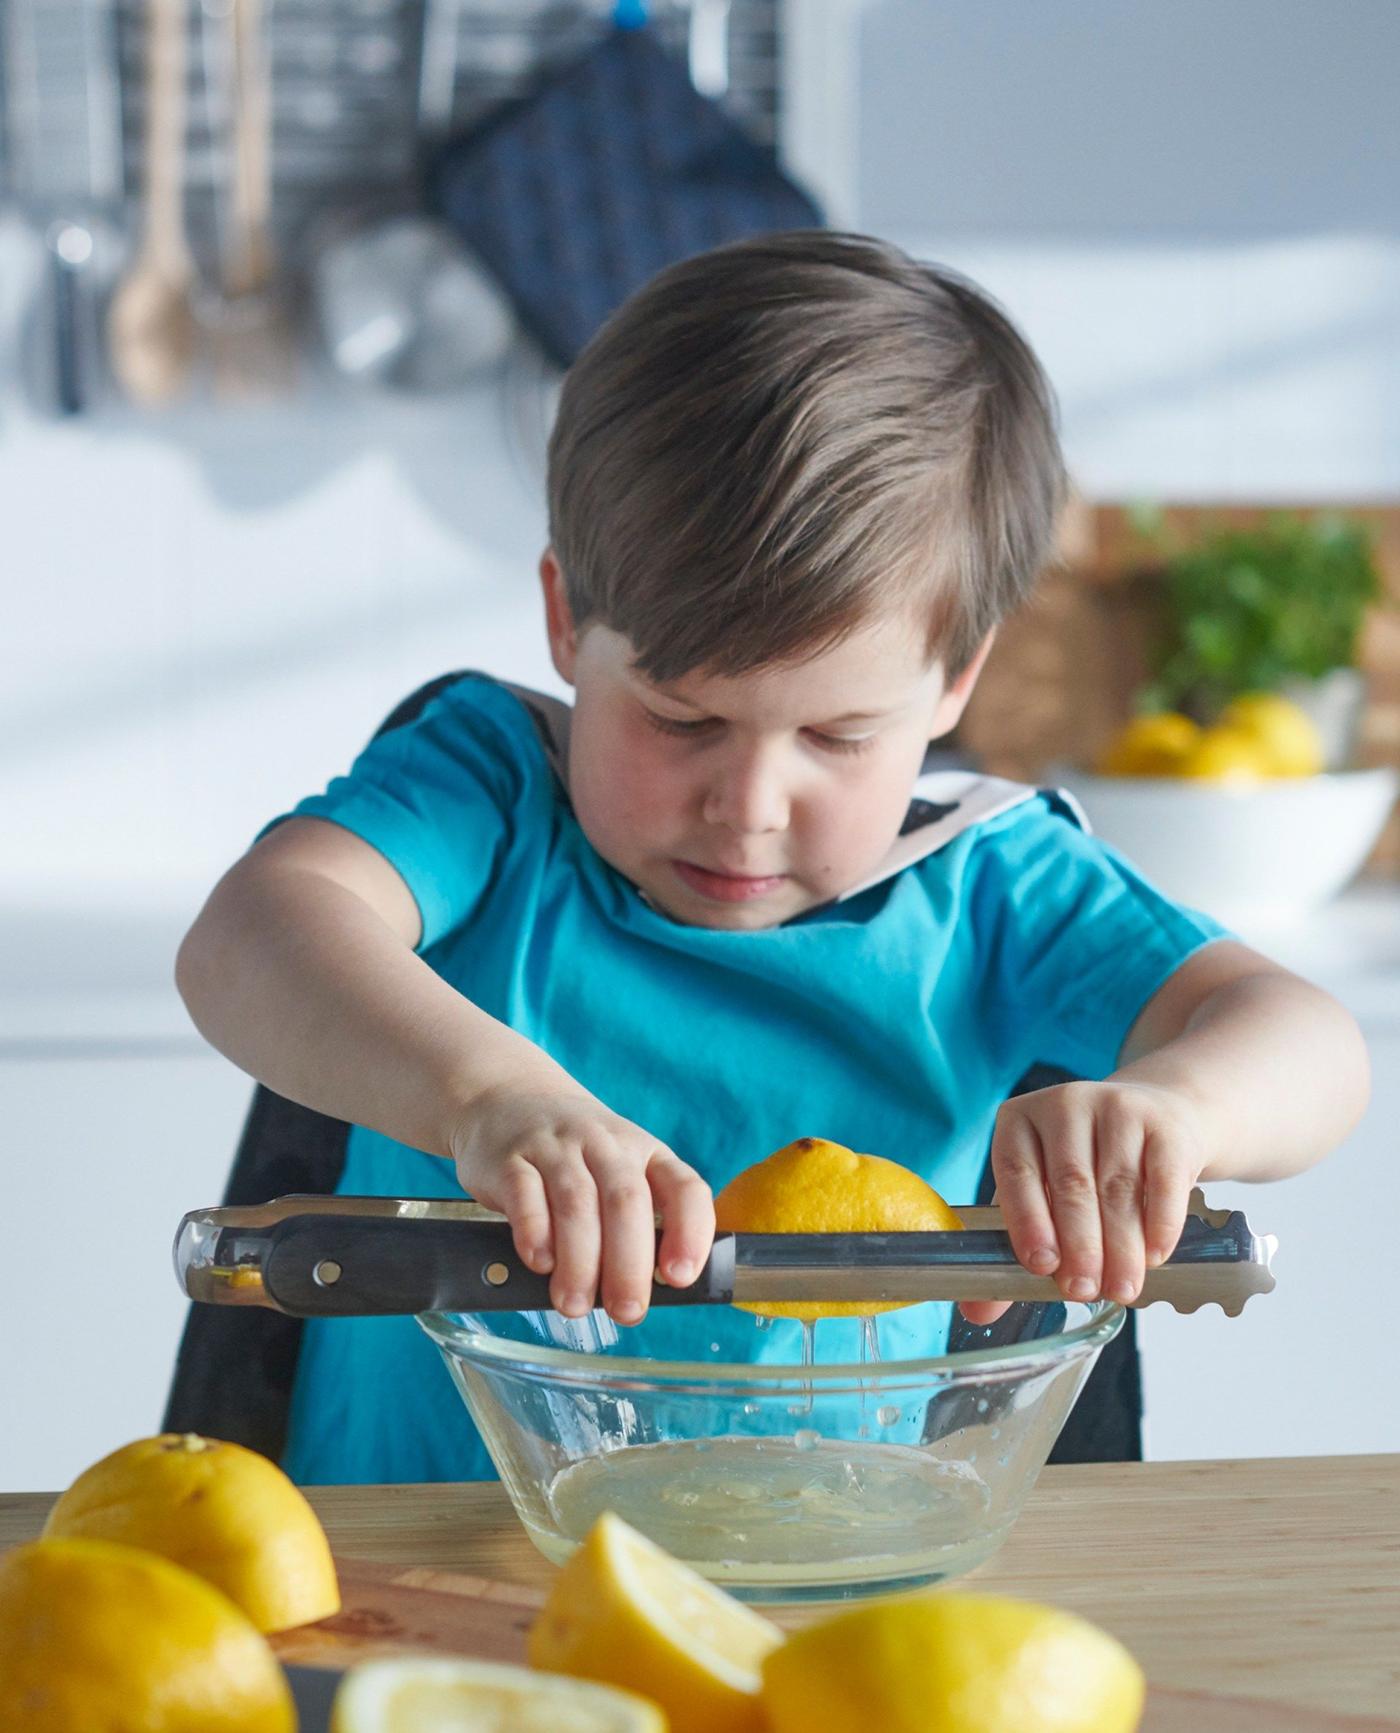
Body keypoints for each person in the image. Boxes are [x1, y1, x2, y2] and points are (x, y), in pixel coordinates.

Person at [176, 231, 1370, 1484]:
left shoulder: (996, 885)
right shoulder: (489, 789)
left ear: (954, 679)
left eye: (839, 735)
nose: (747, 805)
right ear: (566, 620)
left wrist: (1176, 1107)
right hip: (408, 1568)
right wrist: (489, 1096)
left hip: (833, 1565)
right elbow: (254, 931)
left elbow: (1301, 1035)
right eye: (681, 720)